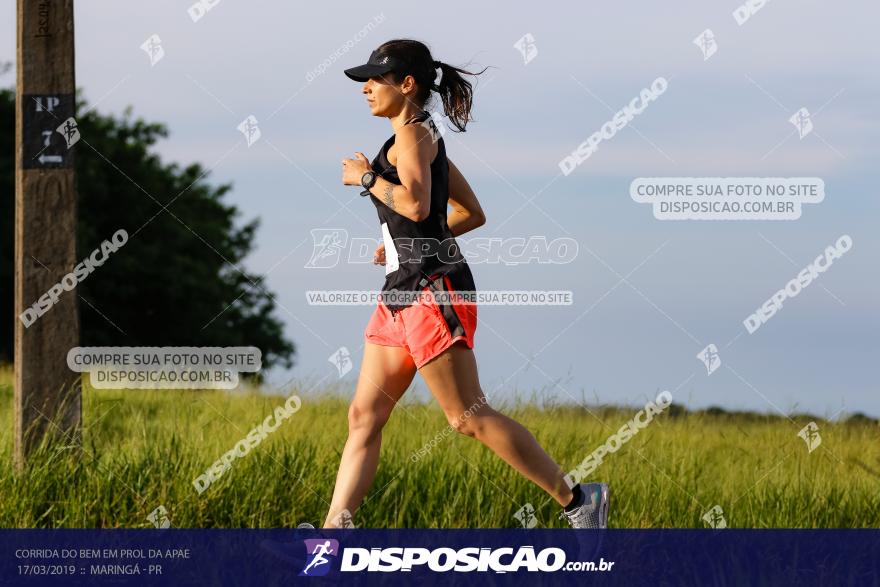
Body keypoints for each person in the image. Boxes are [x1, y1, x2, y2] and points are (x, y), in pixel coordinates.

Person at [326, 39, 609, 529]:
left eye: (375, 78)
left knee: (466, 417)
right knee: (363, 417)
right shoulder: (418, 136)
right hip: (402, 286)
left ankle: (579, 501)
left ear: (407, 84)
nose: (366, 88)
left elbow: (415, 205)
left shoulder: (413, 137)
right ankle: (332, 539)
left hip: (433, 291)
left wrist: (367, 179)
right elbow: (466, 214)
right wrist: (400, 244)